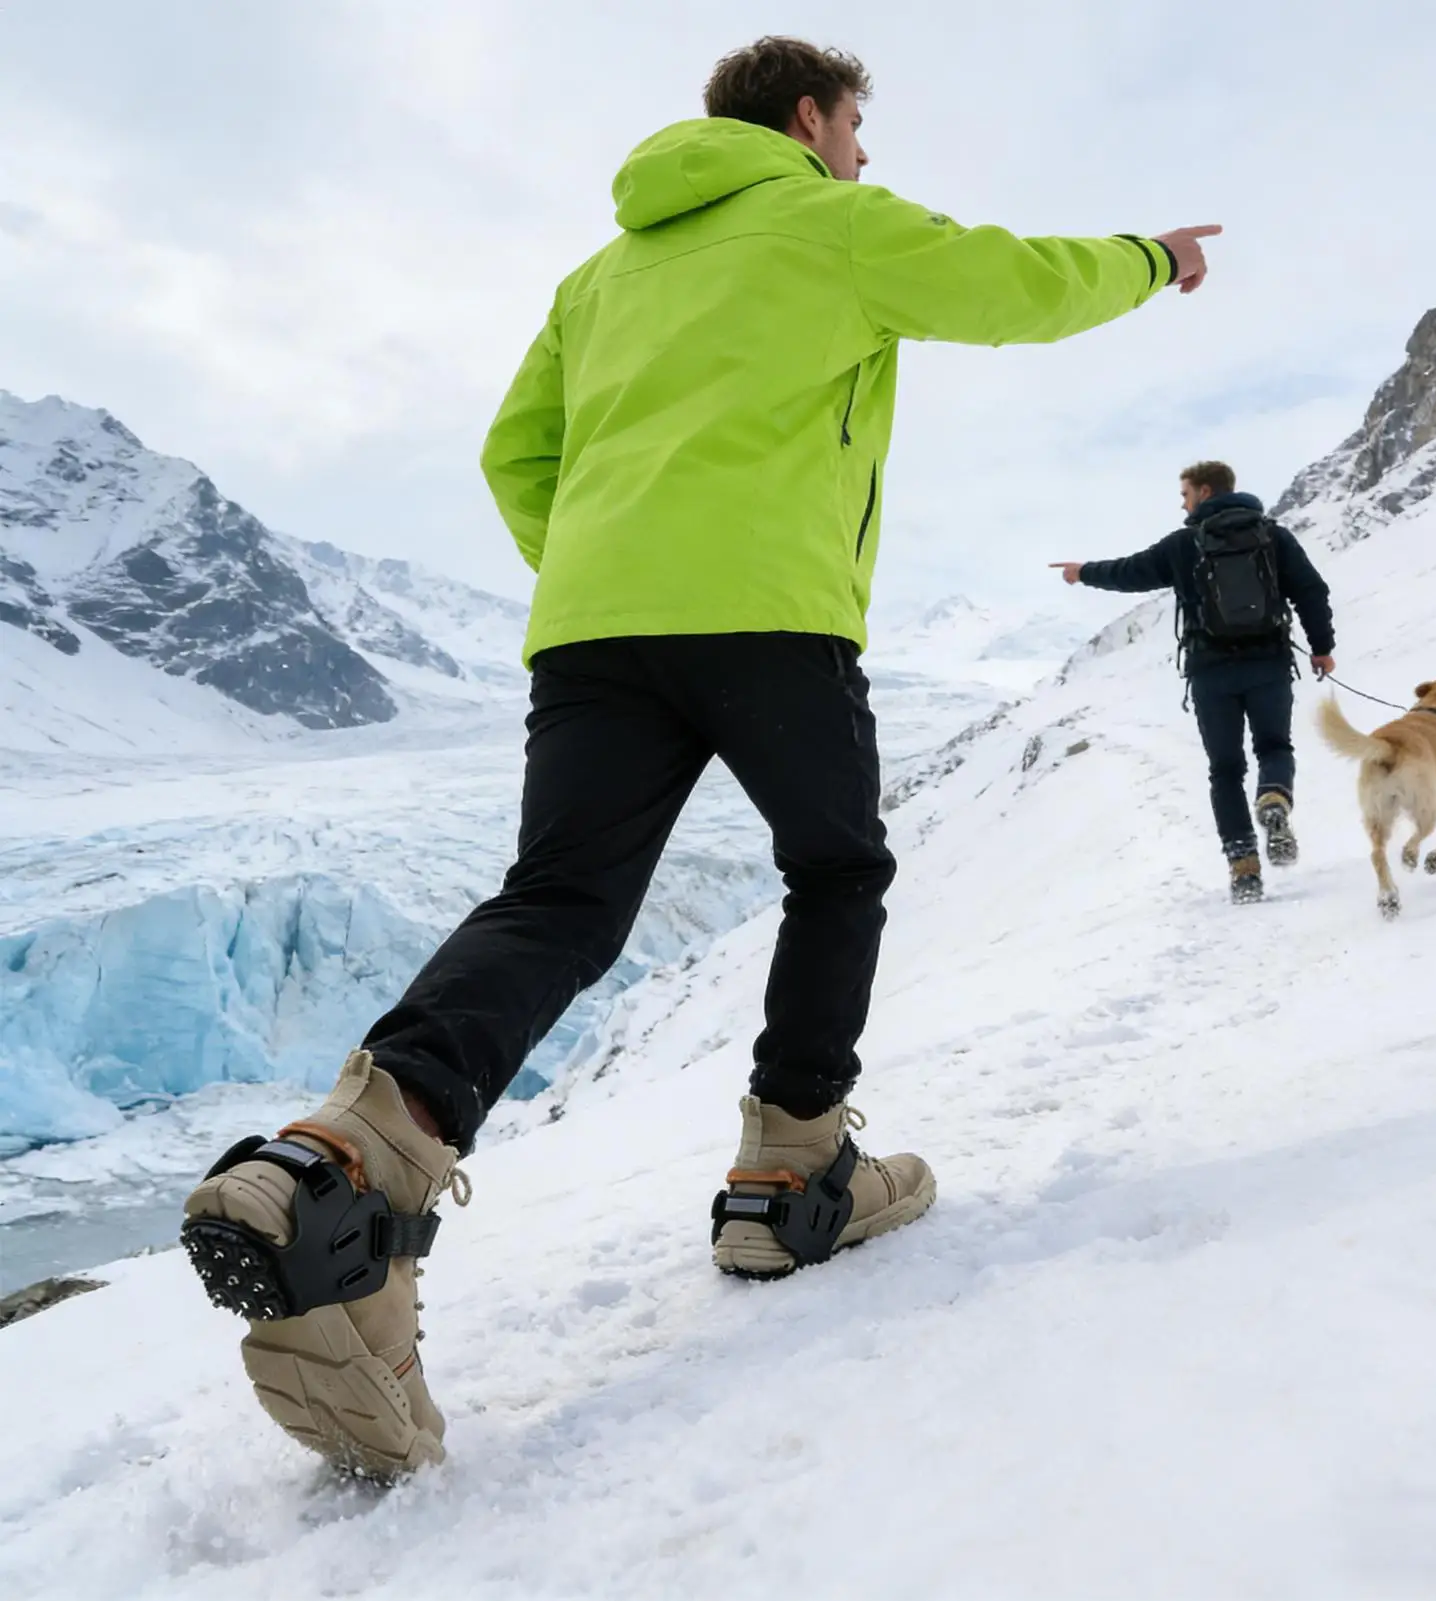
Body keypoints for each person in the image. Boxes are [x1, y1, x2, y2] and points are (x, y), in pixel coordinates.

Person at [182, 35, 1223, 1478]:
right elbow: (1012, 285)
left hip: (595, 631)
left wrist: (613, 574)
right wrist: (1150, 259)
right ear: (809, 118)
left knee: (557, 903)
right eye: (856, 125)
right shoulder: (829, 218)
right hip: (773, 620)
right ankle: (789, 1167)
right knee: (838, 867)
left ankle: (349, 1156)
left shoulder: (597, 278)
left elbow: (513, 456)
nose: (864, 151)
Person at [1052, 461, 1335, 904]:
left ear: (1204, 491)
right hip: (1269, 665)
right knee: (1274, 748)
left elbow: (1131, 572)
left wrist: (1084, 571)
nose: (1182, 504)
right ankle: (1275, 798)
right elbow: (1311, 591)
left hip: (1211, 673)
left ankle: (1243, 868)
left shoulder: (1184, 544)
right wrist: (1321, 647)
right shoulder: (1272, 535)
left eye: (1184, 495)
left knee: (1225, 770)